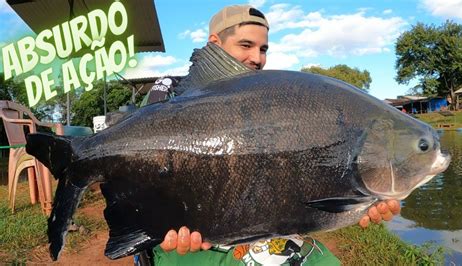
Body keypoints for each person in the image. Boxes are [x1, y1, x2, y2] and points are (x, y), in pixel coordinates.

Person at [138, 5, 401, 265]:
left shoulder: (269, 102)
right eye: (245, 45)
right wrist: (155, 221)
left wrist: (359, 200)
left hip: (251, 231)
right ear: (214, 43)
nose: (257, 58)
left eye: (263, 49)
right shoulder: (168, 98)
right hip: (188, 243)